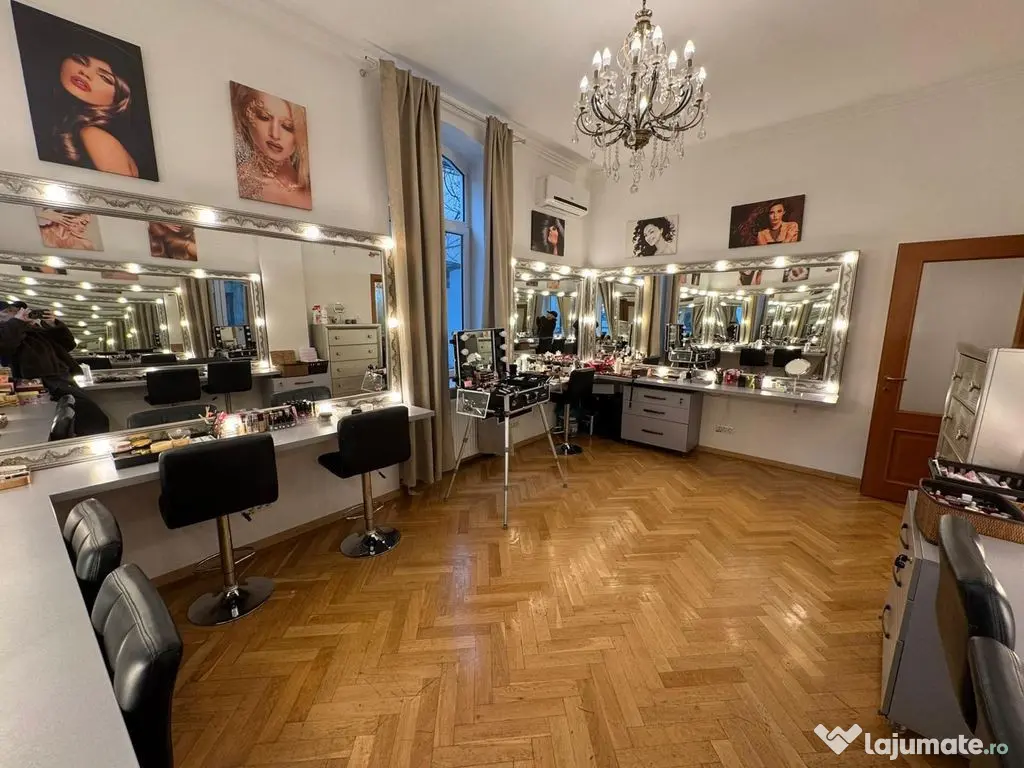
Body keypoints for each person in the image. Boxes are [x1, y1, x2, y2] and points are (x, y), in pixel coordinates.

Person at [0, 301, 109, 436]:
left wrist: (53, 325)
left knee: (85, 419)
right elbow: (5, 346)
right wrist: (17, 322)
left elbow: (68, 345)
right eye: (10, 311)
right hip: (43, 386)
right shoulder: (9, 332)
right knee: (91, 418)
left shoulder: (34, 330)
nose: (18, 313)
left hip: (63, 380)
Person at [231, 83, 313, 210]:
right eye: (264, 117)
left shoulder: (310, 189)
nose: (275, 134)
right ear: (245, 116)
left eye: (288, 126)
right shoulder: (242, 183)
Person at [36, 208, 100, 250]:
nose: (84, 228)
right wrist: (42, 214)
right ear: (65, 216)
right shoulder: (40, 232)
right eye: (83, 223)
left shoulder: (86, 244)